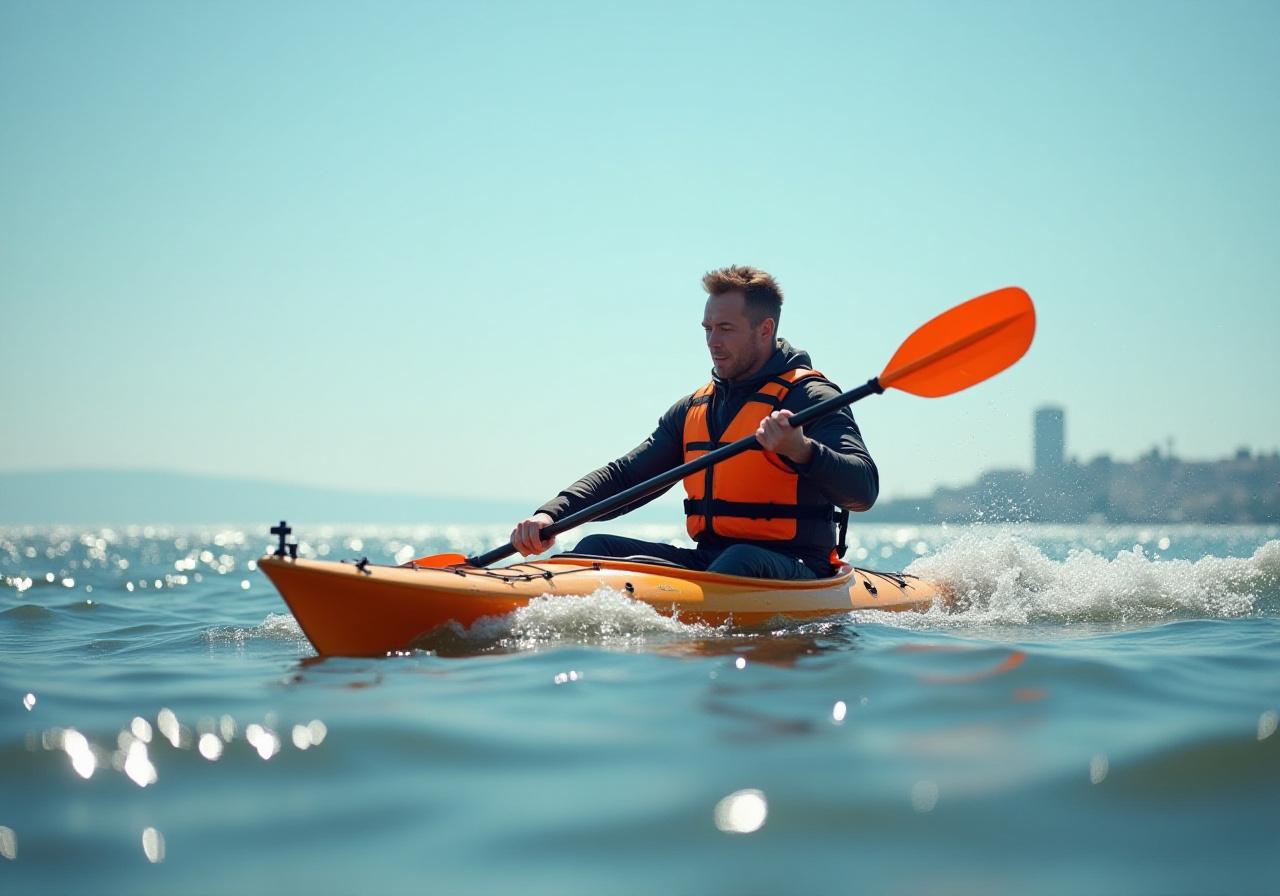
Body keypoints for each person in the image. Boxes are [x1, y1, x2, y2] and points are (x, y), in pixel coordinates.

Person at [509, 265, 878, 580]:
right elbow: (626, 476)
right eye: (707, 328)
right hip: (712, 560)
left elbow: (863, 489)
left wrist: (802, 450)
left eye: (726, 329)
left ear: (765, 329)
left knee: (741, 560)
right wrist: (551, 514)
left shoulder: (809, 396)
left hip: (799, 566)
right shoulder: (695, 408)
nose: (712, 342)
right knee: (594, 547)